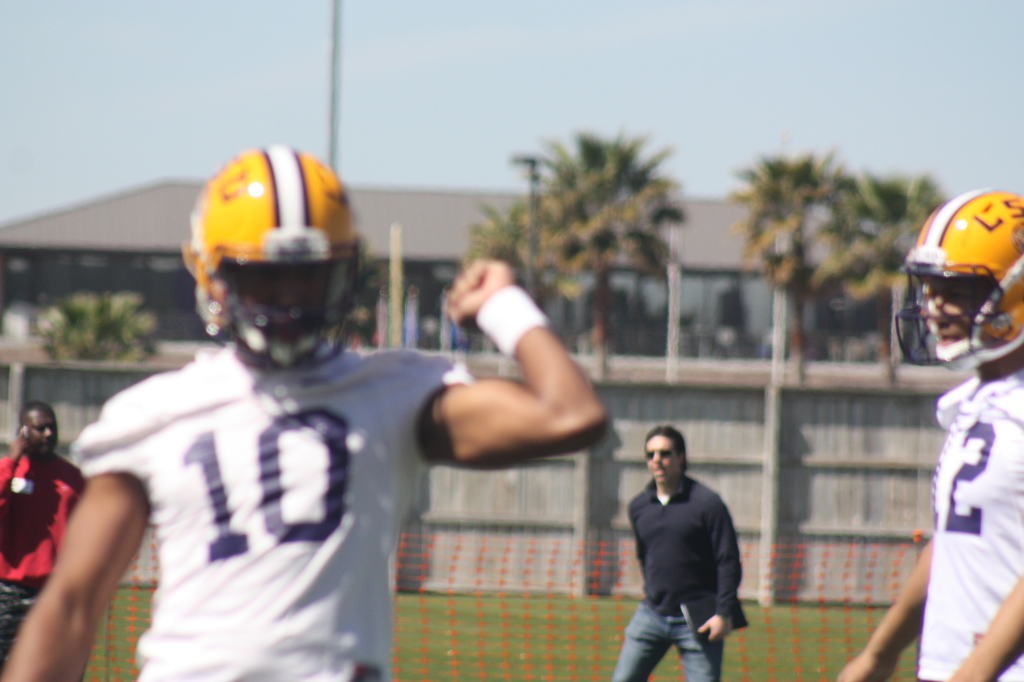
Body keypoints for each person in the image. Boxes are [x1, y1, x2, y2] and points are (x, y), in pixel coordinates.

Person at [0, 146, 607, 682]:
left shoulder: (393, 391)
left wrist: (503, 304)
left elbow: (569, 414)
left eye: (307, 279)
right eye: (264, 279)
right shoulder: (154, 414)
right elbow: (74, 603)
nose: (288, 300)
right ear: (213, 276)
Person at [837, 189, 1024, 682]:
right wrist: (879, 654)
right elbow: (952, 543)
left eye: (957, 291)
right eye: (930, 289)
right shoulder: (977, 402)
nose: (935, 308)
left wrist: (977, 670)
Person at [611, 425, 746, 682]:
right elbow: (645, 556)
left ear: (681, 457)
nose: (657, 461)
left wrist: (724, 612)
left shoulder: (707, 503)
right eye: (650, 455)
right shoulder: (639, 507)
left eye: (665, 453)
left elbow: (727, 560)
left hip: (699, 617)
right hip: (652, 614)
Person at [0, 402, 84, 670]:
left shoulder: (73, 477)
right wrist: (11, 460)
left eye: (52, 427)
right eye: (40, 428)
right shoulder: (11, 470)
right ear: (23, 431)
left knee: (62, 671)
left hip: (59, 593)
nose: (48, 434)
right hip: (11, 592)